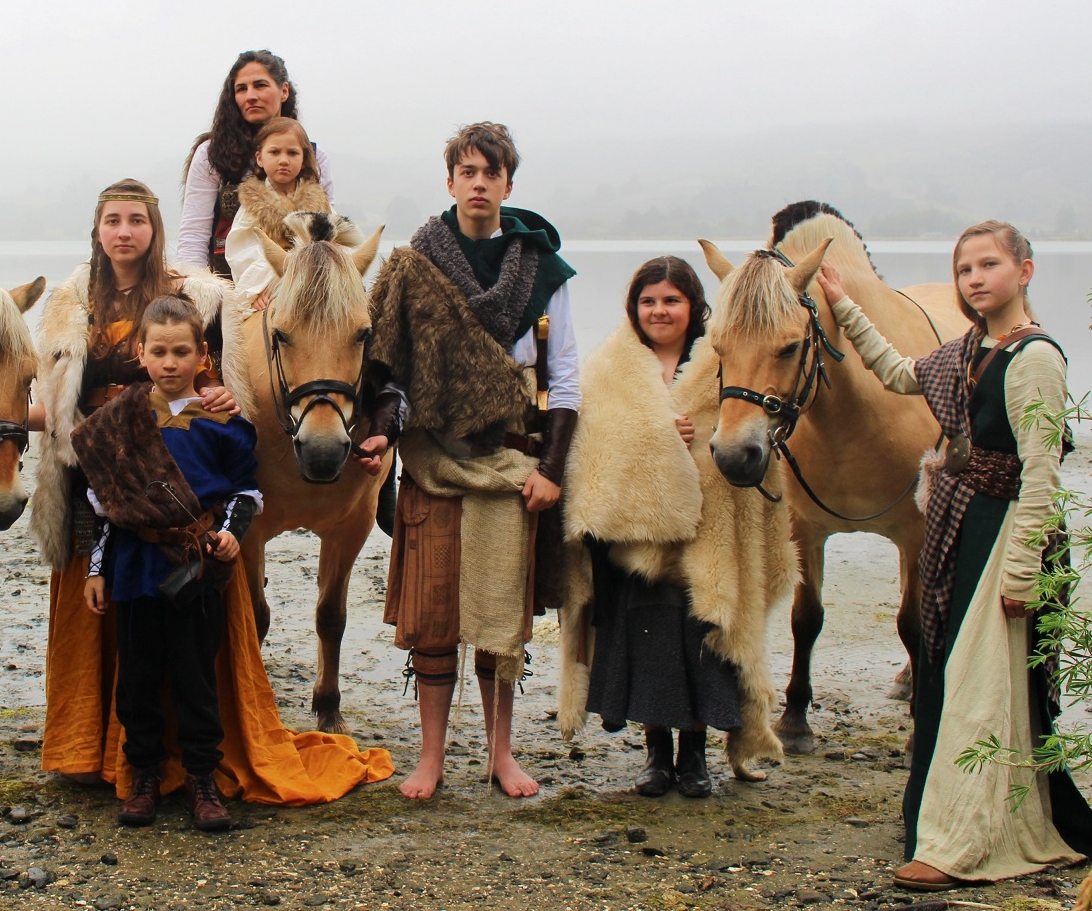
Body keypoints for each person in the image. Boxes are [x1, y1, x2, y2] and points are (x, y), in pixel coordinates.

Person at [29, 180, 391, 804]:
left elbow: (237, 369)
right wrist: (31, 427)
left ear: (154, 228)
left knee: (187, 632)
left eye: (136, 220)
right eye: (112, 220)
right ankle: (104, 751)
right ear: (97, 230)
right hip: (105, 471)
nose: (124, 232)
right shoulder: (69, 303)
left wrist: (224, 394)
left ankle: (192, 761)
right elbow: (54, 397)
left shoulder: (198, 293)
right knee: (115, 625)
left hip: (183, 476)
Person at [817, 221, 1092, 891]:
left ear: (1023, 272)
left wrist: (1023, 571)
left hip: (1002, 534)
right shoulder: (967, 349)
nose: (972, 278)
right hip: (960, 527)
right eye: (963, 267)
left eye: (987, 264)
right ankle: (946, 823)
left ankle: (961, 840)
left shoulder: (1034, 359)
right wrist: (845, 306)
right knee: (948, 677)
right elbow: (896, 372)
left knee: (983, 685)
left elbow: (1039, 476)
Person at [359, 121, 580, 799]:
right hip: (432, 458)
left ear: (508, 184)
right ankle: (429, 758)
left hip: (511, 458)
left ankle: (499, 755)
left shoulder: (541, 270)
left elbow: (565, 378)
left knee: (496, 621)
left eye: (491, 172)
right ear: (449, 181)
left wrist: (552, 471)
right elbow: (383, 367)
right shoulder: (411, 265)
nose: (478, 183)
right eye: (467, 171)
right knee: (431, 617)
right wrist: (381, 432)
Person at [557, 258, 794, 799]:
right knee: (650, 647)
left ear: (694, 307)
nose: (659, 311)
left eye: (671, 300)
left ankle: (696, 759)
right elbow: (593, 446)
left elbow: (748, 430)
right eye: (648, 301)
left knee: (701, 645)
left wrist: (698, 436)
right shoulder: (610, 368)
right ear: (633, 308)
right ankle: (657, 757)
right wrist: (654, 436)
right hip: (635, 544)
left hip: (706, 538)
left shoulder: (723, 360)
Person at [74, 296, 259, 830]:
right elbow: (104, 506)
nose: (171, 362)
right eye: (160, 351)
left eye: (182, 351)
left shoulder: (225, 423)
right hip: (134, 565)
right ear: (141, 353)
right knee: (137, 678)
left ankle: (203, 781)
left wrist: (229, 537)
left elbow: (246, 494)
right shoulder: (120, 420)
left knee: (196, 678)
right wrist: (94, 571)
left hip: (197, 569)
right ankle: (144, 778)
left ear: (203, 354)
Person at [177, 50, 336, 277]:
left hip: (299, 282)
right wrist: (196, 294)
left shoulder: (314, 156)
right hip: (227, 284)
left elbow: (330, 230)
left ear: (283, 91)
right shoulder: (211, 154)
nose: (250, 96)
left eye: (260, 85)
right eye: (241, 89)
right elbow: (194, 235)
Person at [224, 117, 333, 309]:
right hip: (268, 288)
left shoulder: (319, 202)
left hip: (314, 283)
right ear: (259, 157)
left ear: (304, 157)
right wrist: (258, 289)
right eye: (274, 152)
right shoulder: (253, 203)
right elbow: (241, 250)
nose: (283, 160)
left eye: (292, 153)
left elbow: (336, 243)